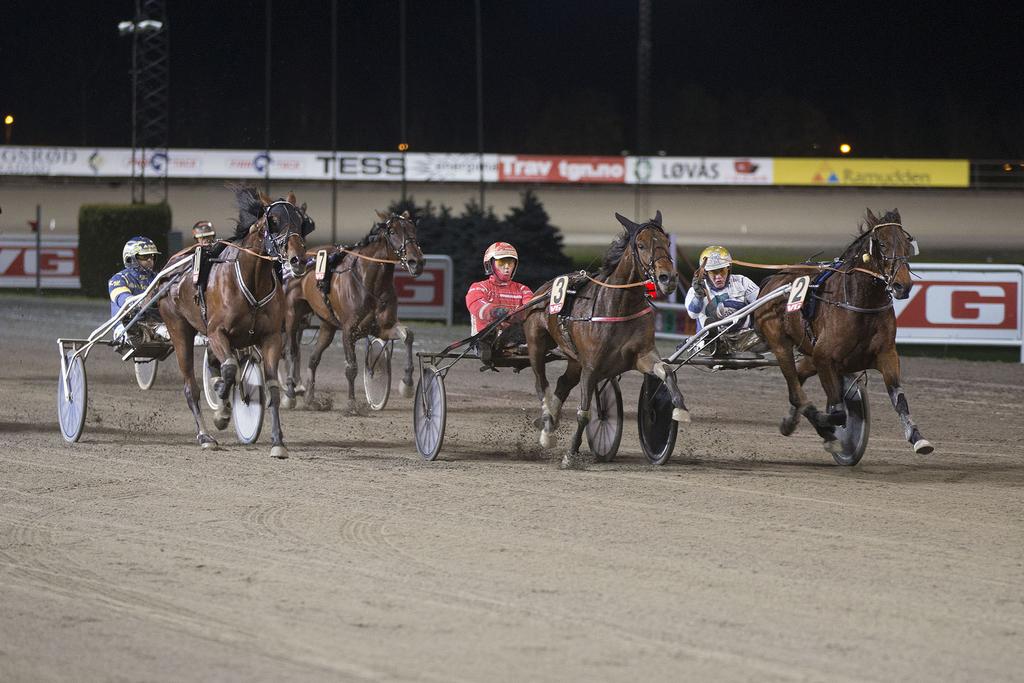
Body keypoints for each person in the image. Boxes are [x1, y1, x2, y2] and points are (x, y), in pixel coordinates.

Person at [683, 245, 761, 355]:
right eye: (714, 272)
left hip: (743, 337)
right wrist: (698, 296)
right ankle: (711, 345)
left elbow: (762, 304)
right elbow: (693, 314)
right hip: (712, 341)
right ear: (705, 273)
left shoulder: (743, 282)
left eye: (722, 271)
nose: (718, 277)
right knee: (710, 335)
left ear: (728, 269)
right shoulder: (696, 290)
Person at [465, 242, 534, 336]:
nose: (507, 267)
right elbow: (476, 306)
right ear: (490, 264)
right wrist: (498, 312)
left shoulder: (523, 289)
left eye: (510, 262)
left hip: (516, 338)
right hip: (486, 339)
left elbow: (531, 308)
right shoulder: (479, 287)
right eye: (501, 262)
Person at [108, 236, 166, 344]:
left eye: (152, 256)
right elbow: (122, 298)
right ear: (130, 258)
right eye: (144, 256)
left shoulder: (158, 278)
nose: (150, 260)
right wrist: (141, 303)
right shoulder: (119, 278)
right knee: (133, 327)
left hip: (154, 323)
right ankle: (135, 334)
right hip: (125, 325)